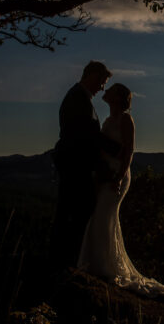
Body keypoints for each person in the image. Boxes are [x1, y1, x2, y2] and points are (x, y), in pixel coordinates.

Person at [77, 83, 164, 301]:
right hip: (105, 175)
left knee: (103, 217)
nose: (106, 91)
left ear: (118, 97)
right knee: (100, 217)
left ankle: (105, 267)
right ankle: (98, 264)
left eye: (111, 89)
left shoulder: (126, 119)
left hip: (118, 175)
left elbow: (129, 151)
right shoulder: (107, 121)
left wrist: (118, 176)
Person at [51, 60, 120, 269]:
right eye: (102, 82)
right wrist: (118, 148)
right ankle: (66, 262)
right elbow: (88, 134)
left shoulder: (79, 98)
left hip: (74, 162)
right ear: (92, 76)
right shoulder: (78, 99)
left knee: (70, 209)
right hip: (75, 163)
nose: (102, 88)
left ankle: (64, 259)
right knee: (77, 210)